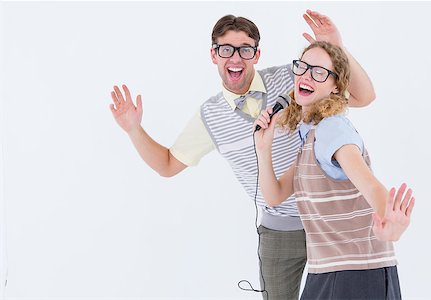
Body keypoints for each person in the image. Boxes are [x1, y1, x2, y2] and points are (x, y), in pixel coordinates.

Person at [109, 10, 376, 299]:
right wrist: (134, 130)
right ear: (214, 56)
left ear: (257, 54)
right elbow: (168, 165)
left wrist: (338, 48)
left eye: (245, 49)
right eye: (226, 50)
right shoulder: (210, 116)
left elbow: (364, 97)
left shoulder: (293, 77)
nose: (235, 58)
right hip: (279, 231)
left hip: (328, 220)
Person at [254, 40, 415, 299]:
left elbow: (371, 186)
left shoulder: (332, 129)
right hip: (328, 272)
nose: (307, 75)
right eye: (303, 67)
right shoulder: (311, 138)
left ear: (336, 86)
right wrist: (263, 149)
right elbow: (274, 196)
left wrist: (391, 222)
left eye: (319, 72)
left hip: (356, 276)